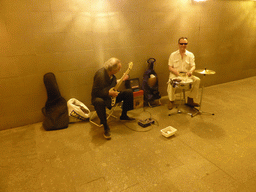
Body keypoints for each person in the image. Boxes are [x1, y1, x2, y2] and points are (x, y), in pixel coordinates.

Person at [91, 57, 135, 140]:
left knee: (128, 92)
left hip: (110, 97)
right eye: (119, 68)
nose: (119, 70)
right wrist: (109, 93)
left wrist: (123, 79)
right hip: (100, 98)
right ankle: (105, 127)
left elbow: (112, 84)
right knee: (98, 102)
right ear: (112, 69)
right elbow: (95, 92)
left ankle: (124, 115)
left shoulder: (111, 75)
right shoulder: (100, 75)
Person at [167, 37, 200, 110]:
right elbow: (170, 67)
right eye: (181, 43)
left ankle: (190, 100)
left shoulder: (190, 55)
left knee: (197, 80)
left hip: (186, 75)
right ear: (178, 44)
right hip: (175, 74)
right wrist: (174, 71)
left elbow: (193, 66)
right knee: (170, 82)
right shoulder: (173, 55)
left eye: (185, 44)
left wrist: (191, 71)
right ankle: (171, 100)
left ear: (187, 44)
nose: (183, 45)